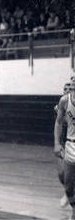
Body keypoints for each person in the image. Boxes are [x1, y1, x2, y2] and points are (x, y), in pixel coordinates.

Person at [54, 79, 75, 220]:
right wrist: (56, 142)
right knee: (67, 184)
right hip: (71, 145)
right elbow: (58, 122)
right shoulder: (64, 101)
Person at [56, 82, 72, 208]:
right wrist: (56, 143)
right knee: (61, 173)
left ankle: (69, 195)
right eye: (64, 88)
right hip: (64, 141)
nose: (67, 89)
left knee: (70, 174)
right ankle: (68, 192)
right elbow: (57, 124)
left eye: (69, 87)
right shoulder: (61, 104)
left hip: (71, 140)